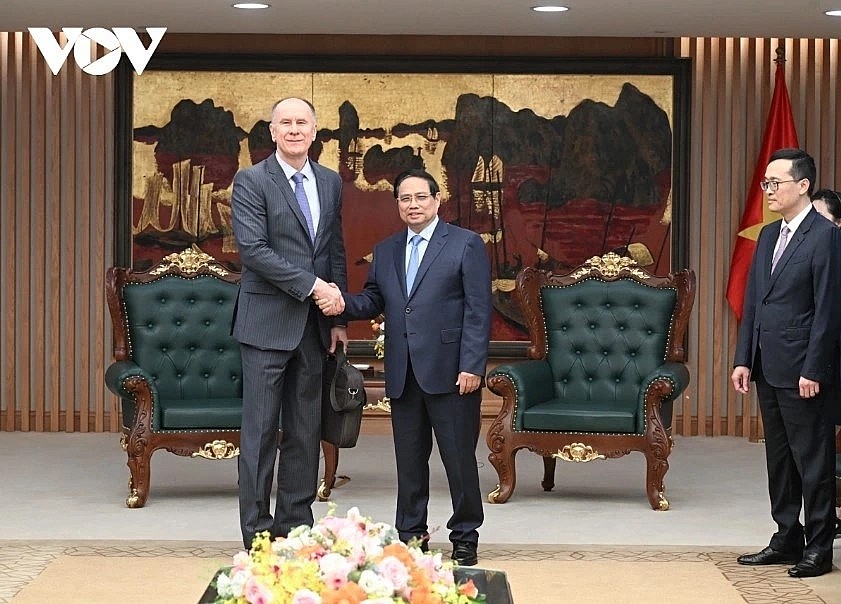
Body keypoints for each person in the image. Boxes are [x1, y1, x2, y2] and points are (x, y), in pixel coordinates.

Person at [318, 168, 492, 566]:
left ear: (436, 200)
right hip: (404, 372)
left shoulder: (465, 245)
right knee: (409, 462)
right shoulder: (388, 249)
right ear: (397, 204)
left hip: (452, 373)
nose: (413, 205)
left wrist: (472, 366)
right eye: (404, 199)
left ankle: (465, 535)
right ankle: (412, 535)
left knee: (459, 460)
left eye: (420, 197)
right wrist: (340, 303)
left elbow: (479, 311)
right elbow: (374, 299)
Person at [231, 97, 348, 549]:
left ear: (315, 131)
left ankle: (296, 527)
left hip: (315, 328)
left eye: (302, 122)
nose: (294, 129)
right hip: (265, 323)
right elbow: (254, 251)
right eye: (286, 123)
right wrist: (314, 287)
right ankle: (257, 535)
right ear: (272, 131)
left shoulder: (331, 182)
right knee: (260, 432)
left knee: (305, 429)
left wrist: (338, 317)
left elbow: (334, 247)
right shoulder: (252, 181)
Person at [731, 148, 841, 578]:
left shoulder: (825, 236)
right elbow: (755, 302)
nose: (769, 190)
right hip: (766, 365)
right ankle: (785, 536)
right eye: (766, 183)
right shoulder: (767, 235)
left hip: (804, 372)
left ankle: (818, 548)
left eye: (775, 183)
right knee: (778, 458)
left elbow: (828, 309)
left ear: (803, 185)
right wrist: (743, 358)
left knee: (810, 460)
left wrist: (814, 368)